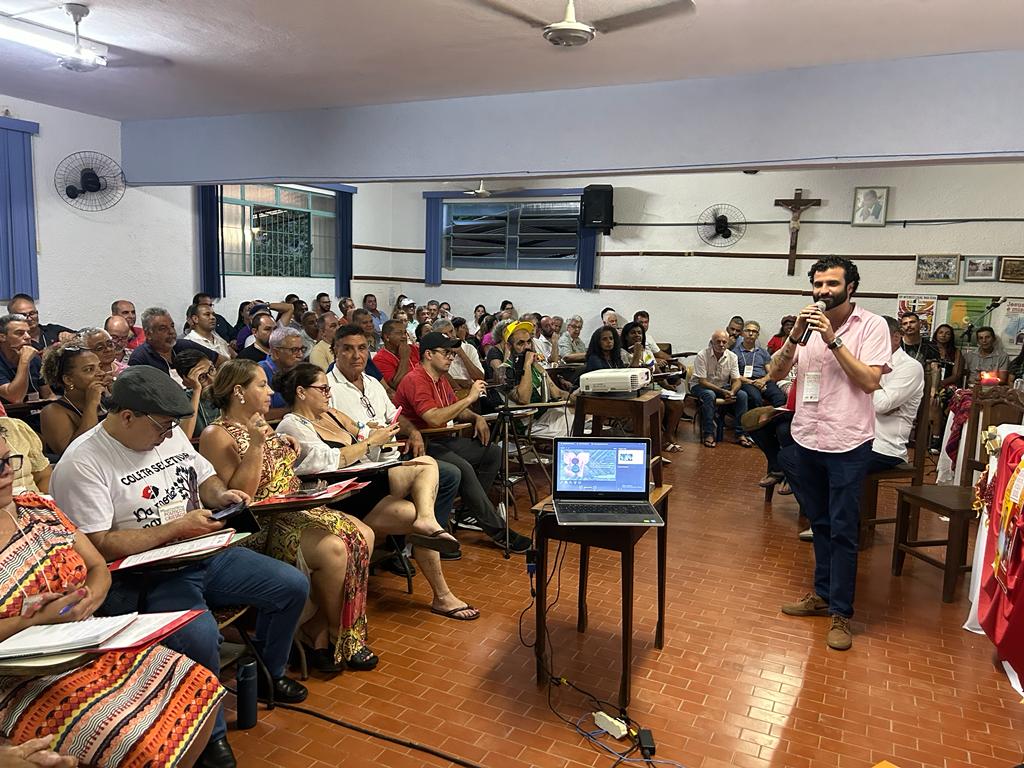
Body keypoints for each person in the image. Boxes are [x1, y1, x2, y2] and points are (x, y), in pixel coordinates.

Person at [50, 365, 310, 767]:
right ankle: (209, 736)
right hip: (145, 573)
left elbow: (204, 480)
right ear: (127, 416)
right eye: (163, 424)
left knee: (290, 585)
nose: (170, 432)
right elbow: (99, 545)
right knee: (199, 635)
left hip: (200, 551)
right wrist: (175, 529)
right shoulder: (83, 462)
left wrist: (222, 495)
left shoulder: (168, 438)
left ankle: (266, 674)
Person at [0, 442, 225, 768]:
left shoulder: (39, 508)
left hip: (85, 639)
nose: (7, 471)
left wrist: (89, 598)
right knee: (133, 742)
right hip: (19, 671)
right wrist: (36, 621)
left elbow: (97, 568)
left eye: (8, 460)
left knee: (199, 682)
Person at [198, 360, 378, 674]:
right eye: (261, 385)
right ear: (239, 391)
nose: (270, 392)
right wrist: (257, 445)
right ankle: (335, 635)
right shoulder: (216, 433)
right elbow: (241, 496)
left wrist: (284, 448)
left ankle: (318, 628)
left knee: (365, 534)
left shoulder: (260, 424)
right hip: (260, 523)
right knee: (334, 549)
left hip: (292, 509)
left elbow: (280, 471)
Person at [274, 364, 477, 622]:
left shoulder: (333, 414)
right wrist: (370, 441)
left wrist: (378, 434)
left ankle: (429, 527)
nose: (328, 393)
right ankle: (441, 589)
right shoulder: (291, 425)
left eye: (328, 388)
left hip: (367, 479)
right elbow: (330, 460)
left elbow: (365, 438)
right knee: (412, 514)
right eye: (323, 388)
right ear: (301, 392)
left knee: (427, 466)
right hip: (342, 495)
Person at [770, 256, 891, 652]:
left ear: (850, 287)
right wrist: (795, 337)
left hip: (847, 442)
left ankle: (841, 611)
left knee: (842, 529)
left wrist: (833, 340)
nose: (823, 291)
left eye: (831, 284)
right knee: (818, 524)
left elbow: (870, 381)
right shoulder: (806, 329)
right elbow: (773, 373)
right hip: (808, 437)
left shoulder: (871, 326)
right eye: (818, 284)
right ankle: (821, 595)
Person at [393, 332, 531, 554]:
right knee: (462, 468)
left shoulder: (441, 379)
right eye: (446, 353)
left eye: (451, 353)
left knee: (492, 452)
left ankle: (469, 513)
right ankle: (498, 531)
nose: (451, 357)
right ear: (428, 354)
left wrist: (476, 417)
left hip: (441, 440)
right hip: (421, 445)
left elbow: (456, 409)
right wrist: (470, 398)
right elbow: (435, 418)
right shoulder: (416, 379)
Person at [326, 324, 462, 548]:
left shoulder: (371, 383)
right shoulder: (328, 387)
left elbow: (395, 416)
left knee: (447, 475)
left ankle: (421, 539)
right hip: (362, 465)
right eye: (348, 349)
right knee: (446, 471)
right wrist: (364, 432)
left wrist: (414, 431)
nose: (357, 355)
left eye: (362, 348)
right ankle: (408, 541)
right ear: (335, 351)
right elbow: (329, 431)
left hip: (391, 456)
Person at [497, 321, 574, 438]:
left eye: (529, 342)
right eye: (520, 343)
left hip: (545, 415)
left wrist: (578, 399)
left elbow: (556, 392)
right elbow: (523, 399)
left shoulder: (536, 366)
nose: (527, 347)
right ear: (509, 346)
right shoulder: (503, 370)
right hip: (527, 424)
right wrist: (527, 365)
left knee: (580, 420)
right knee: (572, 431)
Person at [40, 343, 106, 457]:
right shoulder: (52, 412)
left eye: (100, 367)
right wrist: (91, 404)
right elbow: (73, 454)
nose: (101, 373)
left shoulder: (107, 401)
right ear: (69, 380)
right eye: (89, 369)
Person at [128, 308, 222, 384]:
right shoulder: (140, 358)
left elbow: (222, 361)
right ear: (148, 334)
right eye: (163, 329)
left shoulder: (184, 345)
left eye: (172, 326)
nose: (171, 332)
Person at [691, 330, 750, 448]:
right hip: (700, 386)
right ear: (712, 342)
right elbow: (702, 381)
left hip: (722, 386)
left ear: (728, 343)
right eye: (718, 342)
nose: (721, 344)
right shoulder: (702, 355)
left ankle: (740, 434)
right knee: (709, 395)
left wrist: (732, 392)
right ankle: (709, 433)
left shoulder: (732, 357)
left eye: (724, 342)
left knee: (742, 395)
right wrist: (722, 392)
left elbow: (736, 380)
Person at [0, 314, 49, 407]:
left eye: (28, 332)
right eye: (19, 333)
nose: (28, 337)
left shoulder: (34, 358)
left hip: (34, 414)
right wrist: (24, 361)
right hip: (8, 417)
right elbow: (15, 398)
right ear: (2, 337)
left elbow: (48, 395)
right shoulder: (27, 357)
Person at [735, 321, 787, 408]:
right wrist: (752, 382)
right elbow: (735, 374)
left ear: (757, 335)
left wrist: (762, 381)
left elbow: (770, 372)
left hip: (763, 380)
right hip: (746, 382)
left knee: (780, 398)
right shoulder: (735, 353)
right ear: (742, 333)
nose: (751, 334)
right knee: (756, 399)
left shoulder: (763, 352)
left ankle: (775, 420)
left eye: (754, 331)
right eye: (748, 331)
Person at [173, 349, 219, 439]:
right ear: (186, 382)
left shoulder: (228, 390)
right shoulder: (183, 400)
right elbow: (185, 437)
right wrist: (196, 389)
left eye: (211, 370)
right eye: (202, 377)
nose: (212, 380)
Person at [0, 417, 50, 493]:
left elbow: (43, 476)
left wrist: (47, 502)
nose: (9, 470)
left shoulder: (15, 427)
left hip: (36, 500)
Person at [6, 294, 74, 351]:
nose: (29, 318)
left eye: (32, 313)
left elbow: (83, 337)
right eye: (23, 315)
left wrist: (72, 337)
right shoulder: (11, 341)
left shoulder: (53, 330)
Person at [434, 318, 483, 384]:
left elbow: (480, 378)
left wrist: (462, 354)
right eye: (445, 334)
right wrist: (461, 382)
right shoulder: (435, 353)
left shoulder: (469, 348)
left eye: (451, 331)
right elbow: (438, 380)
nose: (450, 336)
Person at [374, 319, 420, 388]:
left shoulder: (414, 349)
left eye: (405, 333)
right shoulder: (380, 359)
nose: (404, 336)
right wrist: (404, 358)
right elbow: (396, 385)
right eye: (399, 333)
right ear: (387, 337)